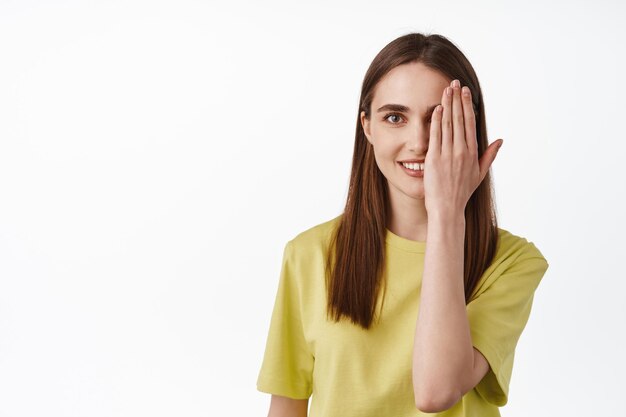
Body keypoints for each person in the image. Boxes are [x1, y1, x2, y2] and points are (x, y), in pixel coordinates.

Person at [256, 32, 549, 417]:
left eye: (438, 119)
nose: (419, 141)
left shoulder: (512, 261)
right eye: (395, 117)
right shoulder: (309, 254)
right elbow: (287, 406)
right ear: (367, 127)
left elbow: (435, 392)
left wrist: (446, 213)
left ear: (470, 127)